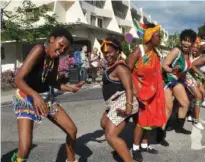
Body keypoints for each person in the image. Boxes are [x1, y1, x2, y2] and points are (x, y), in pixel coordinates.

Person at [12, 28, 85, 162]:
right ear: (52, 39)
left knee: (72, 130)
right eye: (61, 45)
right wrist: (35, 96)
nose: (62, 50)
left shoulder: (54, 58)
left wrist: (71, 88)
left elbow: (52, 82)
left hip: (44, 98)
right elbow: (18, 79)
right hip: (26, 98)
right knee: (25, 148)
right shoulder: (39, 49)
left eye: (65, 49)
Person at [127, 22, 166, 162]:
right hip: (140, 94)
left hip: (153, 94)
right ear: (149, 37)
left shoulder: (155, 53)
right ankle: (135, 148)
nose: (160, 38)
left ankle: (144, 144)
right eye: (158, 36)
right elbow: (127, 71)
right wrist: (134, 93)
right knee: (141, 122)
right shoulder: (139, 51)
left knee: (149, 121)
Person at [100, 37, 138, 162]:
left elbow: (129, 88)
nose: (107, 55)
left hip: (123, 100)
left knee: (110, 136)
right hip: (112, 102)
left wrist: (128, 107)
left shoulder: (120, 67)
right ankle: (120, 146)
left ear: (117, 51)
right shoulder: (112, 66)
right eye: (105, 53)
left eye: (110, 52)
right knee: (104, 124)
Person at [162, 29, 197, 136]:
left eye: (189, 41)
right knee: (168, 108)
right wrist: (172, 70)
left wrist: (189, 81)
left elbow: (185, 70)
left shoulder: (189, 53)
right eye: (184, 40)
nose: (186, 43)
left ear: (192, 43)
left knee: (185, 103)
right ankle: (160, 133)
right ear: (181, 40)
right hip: (166, 81)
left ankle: (179, 127)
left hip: (176, 81)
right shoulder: (176, 51)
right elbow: (164, 65)